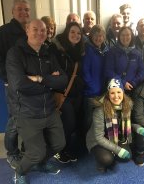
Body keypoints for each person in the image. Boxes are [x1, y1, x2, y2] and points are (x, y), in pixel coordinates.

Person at [6, 19, 67, 184]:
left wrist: (39, 79)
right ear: (27, 30)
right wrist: (49, 84)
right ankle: (20, 171)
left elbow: (63, 81)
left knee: (59, 144)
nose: (40, 33)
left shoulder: (48, 52)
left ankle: (41, 164)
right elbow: (19, 84)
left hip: (50, 109)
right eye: (35, 29)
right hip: (27, 112)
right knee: (36, 153)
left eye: (43, 30)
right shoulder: (15, 53)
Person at [0, 0, 30, 169]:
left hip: (29, 84)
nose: (24, 12)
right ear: (12, 12)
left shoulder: (29, 31)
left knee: (28, 118)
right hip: (12, 85)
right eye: (20, 9)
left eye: (26, 9)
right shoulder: (2, 32)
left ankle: (27, 150)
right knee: (15, 120)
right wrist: (8, 78)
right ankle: (12, 153)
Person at [50, 22, 85, 163]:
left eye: (78, 33)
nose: (75, 35)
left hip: (76, 93)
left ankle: (66, 149)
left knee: (72, 123)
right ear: (66, 32)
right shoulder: (56, 49)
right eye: (72, 32)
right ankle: (59, 150)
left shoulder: (80, 50)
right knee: (68, 122)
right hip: (62, 93)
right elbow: (55, 70)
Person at [86, 78, 133, 172]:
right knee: (106, 159)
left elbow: (127, 125)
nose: (116, 96)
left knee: (127, 157)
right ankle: (102, 161)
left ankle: (112, 153)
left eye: (119, 92)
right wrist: (118, 150)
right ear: (108, 94)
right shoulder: (99, 110)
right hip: (97, 140)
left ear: (123, 93)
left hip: (116, 137)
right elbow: (99, 137)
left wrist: (137, 128)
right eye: (112, 93)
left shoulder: (128, 105)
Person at [82, 24, 109, 143]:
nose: (99, 38)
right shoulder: (87, 49)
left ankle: (96, 140)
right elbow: (85, 71)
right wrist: (92, 86)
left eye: (101, 35)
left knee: (99, 119)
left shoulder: (105, 50)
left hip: (102, 91)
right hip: (91, 92)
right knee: (88, 119)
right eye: (96, 35)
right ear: (91, 36)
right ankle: (86, 142)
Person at [104, 26, 144, 96]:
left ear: (132, 36)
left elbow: (142, 71)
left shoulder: (137, 53)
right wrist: (123, 83)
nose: (125, 37)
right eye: (122, 35)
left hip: (132, 90)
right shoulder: (112, 52)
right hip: (116, 90)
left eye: (128, 35)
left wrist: (133, 83)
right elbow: (108, 71)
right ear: (119, 36)